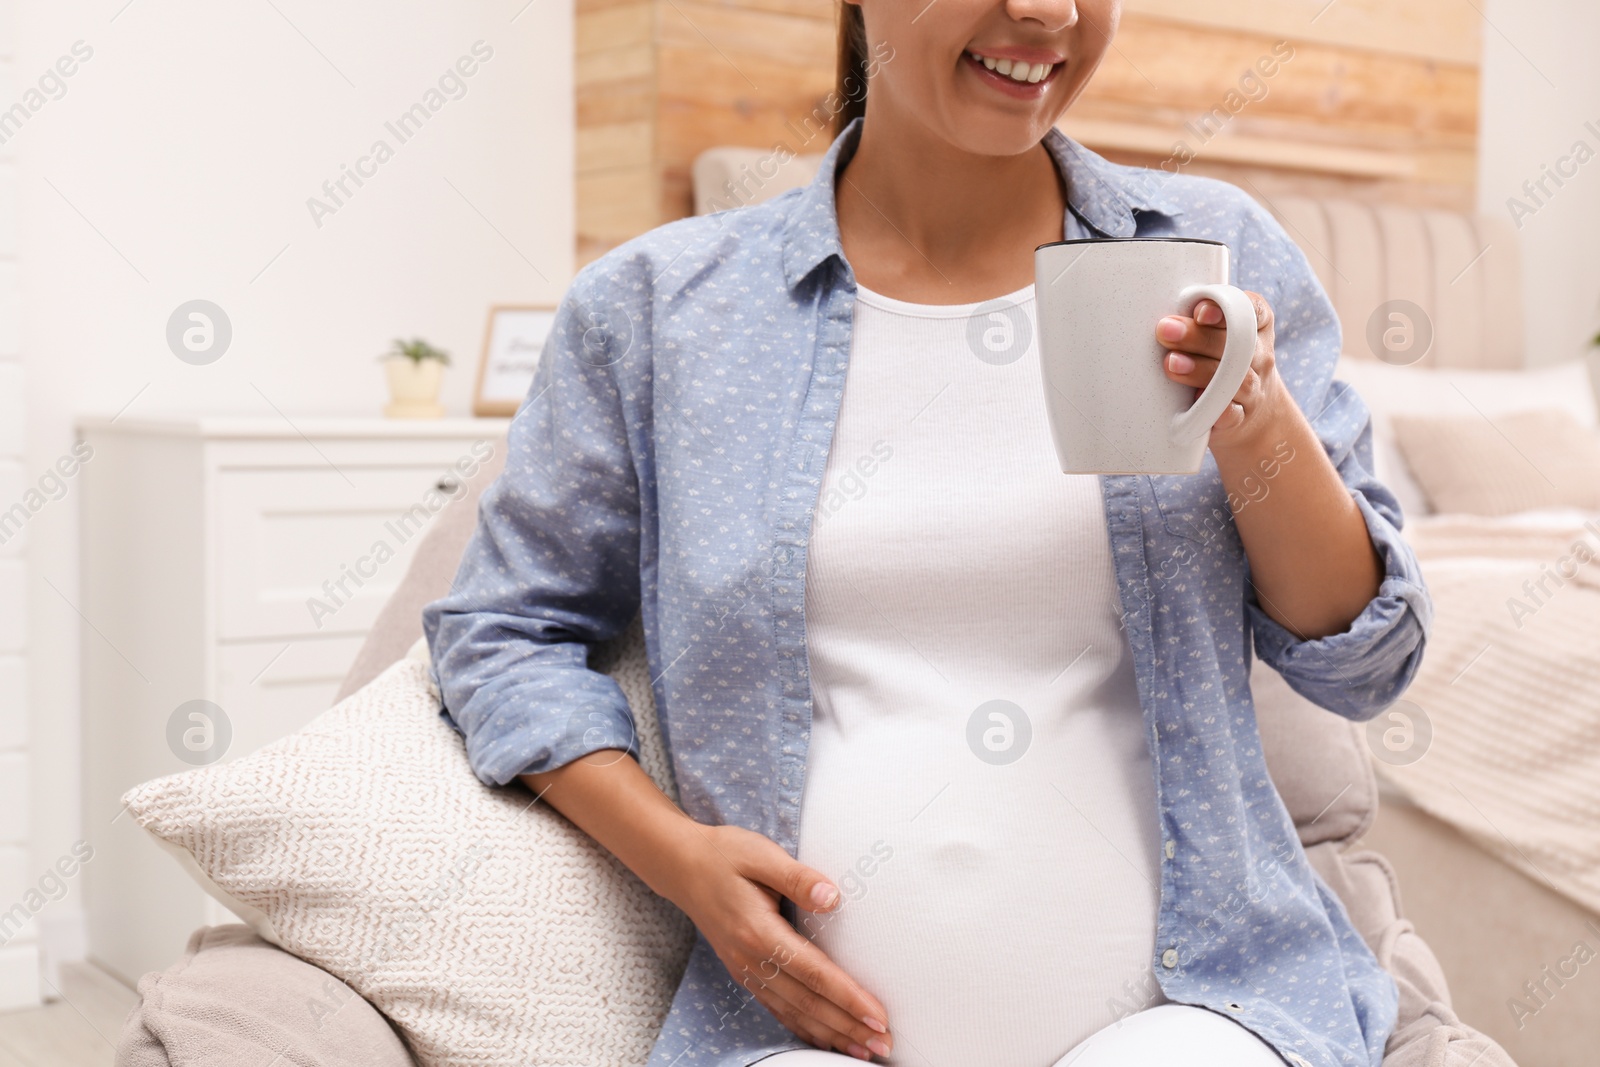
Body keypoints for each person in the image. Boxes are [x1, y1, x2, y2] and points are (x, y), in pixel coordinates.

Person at [421, 1, 1432, 1064]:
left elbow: (1366, 660)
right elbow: (501, 629)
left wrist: (1255, 421)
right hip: (790, 1040)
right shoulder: (661, 309)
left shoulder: (1208, 254)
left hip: (1204, 1017)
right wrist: (679, 860)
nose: (1048, 11)